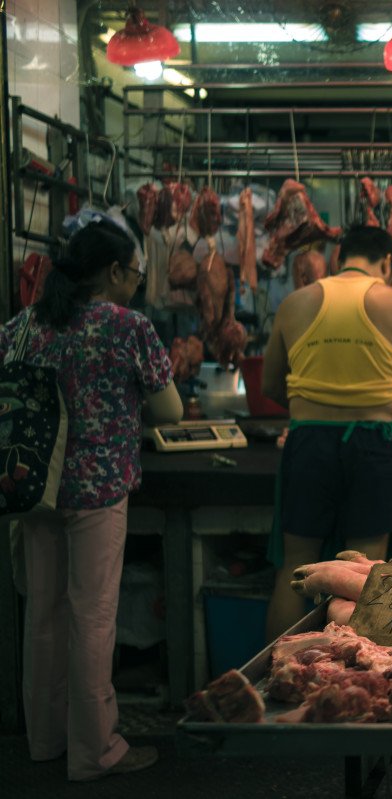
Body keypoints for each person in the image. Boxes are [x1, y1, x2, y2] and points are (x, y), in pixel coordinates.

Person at [0, 219, 182, 780]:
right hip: (98, 490)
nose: (135, 283)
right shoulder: (127, 327)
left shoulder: (26, 325)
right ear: (112, 272)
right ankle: (95, 752)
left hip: (35, 486)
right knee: (93, 618)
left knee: (44, 615)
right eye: (133, 272)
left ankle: (44, 742)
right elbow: (171, 412)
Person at [262, 226, 392, 641]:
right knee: (366, 570)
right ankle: (360, 679)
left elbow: (270, 386)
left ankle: (277, 677)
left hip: (308, 442)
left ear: (341, 256)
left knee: (295, 566)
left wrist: (315, 413)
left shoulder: (295, 302)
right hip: (374, 442)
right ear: (389, 263)